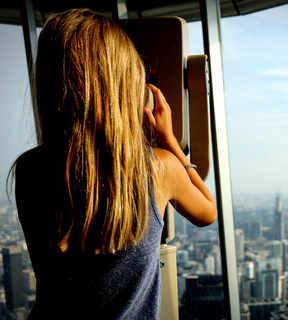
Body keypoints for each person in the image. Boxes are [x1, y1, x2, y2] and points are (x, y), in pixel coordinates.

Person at [10, 9, 217, 319]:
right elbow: (208, 212)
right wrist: (169, 141)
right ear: (128, 89)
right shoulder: (159, 169)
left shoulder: (29, 169)